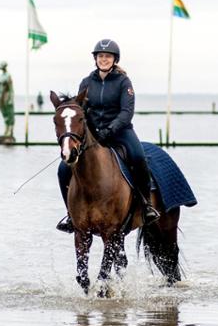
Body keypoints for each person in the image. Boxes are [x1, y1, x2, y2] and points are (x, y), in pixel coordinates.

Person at [56, 38, 160, 232]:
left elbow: (126, 112)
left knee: (138, 158)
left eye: (108, 56)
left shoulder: (123, 82)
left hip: (121, 132)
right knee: (63, 169)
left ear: (115, 59)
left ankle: (146, 206)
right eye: (101, 56)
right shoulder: (86, 82)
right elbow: (80, 112)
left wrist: (110, 130)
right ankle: (71, 215)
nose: (104, 59)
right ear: (96, 59)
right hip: (93, 135)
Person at [0, 61, 15, 141]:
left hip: (7, 96)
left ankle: (10, 130)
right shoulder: (0, 76)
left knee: (10, 113)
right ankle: (6, 129)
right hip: (1, 97)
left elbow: (11, 88)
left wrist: (11, 98)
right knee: (4, 114)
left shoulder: (8, 76)